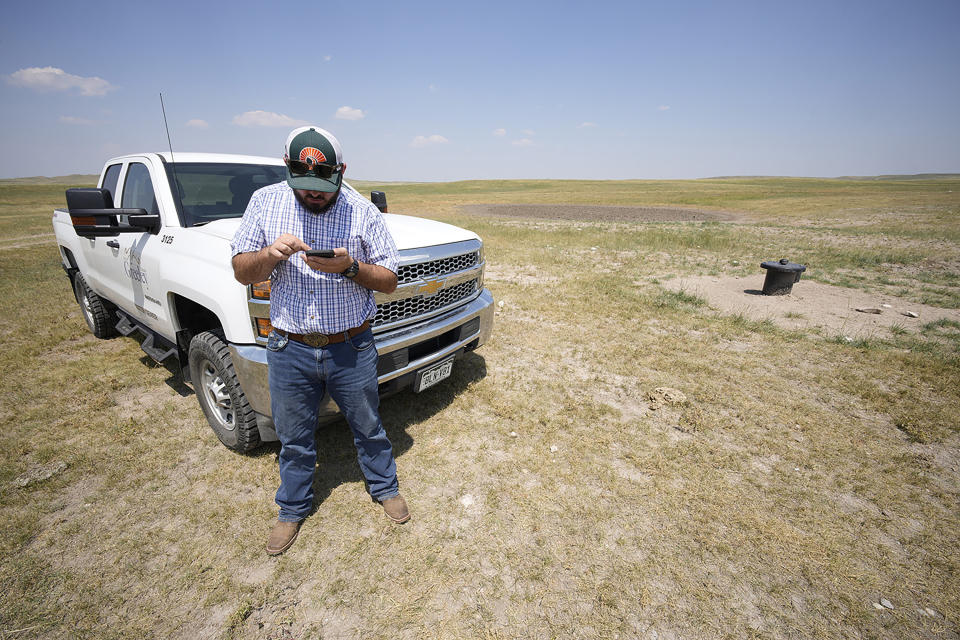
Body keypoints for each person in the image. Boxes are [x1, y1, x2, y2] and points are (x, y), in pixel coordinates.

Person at [231, 126, 409, 556]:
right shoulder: (265, 203)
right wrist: (270, 255)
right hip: (289, 347)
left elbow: (389, 280)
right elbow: (241, 269)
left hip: (351, 346)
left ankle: (384, 487)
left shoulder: (362, 211)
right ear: (288, 170)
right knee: (294, 437)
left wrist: (350, 268)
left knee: (368, 425)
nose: (313, 196)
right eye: (304, 187)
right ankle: (291, 509)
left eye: (322, 187)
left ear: (340, 172)